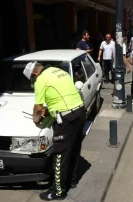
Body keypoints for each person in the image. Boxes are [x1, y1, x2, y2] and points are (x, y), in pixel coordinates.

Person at [26, 63, 86, 201]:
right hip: (79, 111)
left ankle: (58, 191)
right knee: (74, 149)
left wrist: (36, 119)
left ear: (34, 75)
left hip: (66, 119)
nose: (33, 82)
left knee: (60, 154)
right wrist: (50, 111)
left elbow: (38, 108)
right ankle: (72, 180)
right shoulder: (57, 70)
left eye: (32, 79)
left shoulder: (41, 79)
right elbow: (61, 96)